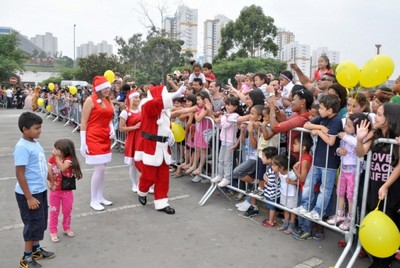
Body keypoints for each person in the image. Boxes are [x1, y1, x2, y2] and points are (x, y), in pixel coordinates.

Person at [293, 94, 343, 240]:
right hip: (318, 160)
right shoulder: (324, 118)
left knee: (325, 189)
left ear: (330, 109)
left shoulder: (336, 120)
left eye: (321, 108)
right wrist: (320, 127)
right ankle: (305, 205)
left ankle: (318, 210)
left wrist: (319, 132)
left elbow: (331, 141)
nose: (319, 110)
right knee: (308, 184)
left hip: (330, 162)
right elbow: (306, 125)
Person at [356, 103, 400, 268]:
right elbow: (360, 153)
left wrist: (386, 185)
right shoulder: (375, 135)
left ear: (390, 119)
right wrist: (360, 139)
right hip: (374, 185)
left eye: (380, 114)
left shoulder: (397, 137)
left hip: (392, 189)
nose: (375, 116)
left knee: (389, 224)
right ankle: (378, 260)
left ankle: (383, 262)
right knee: (375, 221)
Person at [134, 84, 187, 214]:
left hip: (163, 147)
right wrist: (173, 95)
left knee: (163, 177)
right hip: (150, 147)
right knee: (149, 176)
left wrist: (170, 136)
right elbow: (154, 105)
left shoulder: (165, 112)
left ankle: (162, 202)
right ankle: (142, 191)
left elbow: (166, 127)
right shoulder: (147, 106)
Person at [14, 112, 55, 267]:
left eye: (40, 127)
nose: (40, 130)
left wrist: (49, 177)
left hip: (40, 190)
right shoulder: (22, 147)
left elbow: (41, 164)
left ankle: (36, 249)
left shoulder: (34, 143)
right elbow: (19, 173)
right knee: (32, 224)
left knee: (40, 222)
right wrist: (29, 197)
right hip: (29, 194)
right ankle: (26, 258)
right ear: (25, 129)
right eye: (37, 128)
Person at [326, 113, 370, 231]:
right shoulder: (345, 137)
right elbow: (338, 147)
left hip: (354, 170)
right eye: (346, 124)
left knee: (350, 194)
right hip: (344, 168)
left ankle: (350, 217)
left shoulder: (359, 138)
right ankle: (339, 214)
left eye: (349, 126)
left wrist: (345, 136)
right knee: (340, 191)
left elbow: (358, 145)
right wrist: (339, 150)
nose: (345, 127)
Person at [80, 76, 115, 211]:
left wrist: (112, 129)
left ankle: (100, 196)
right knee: (99, 168)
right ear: (99, 88)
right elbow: (84, 121)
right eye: (105, 88)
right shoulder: (90, 100)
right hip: (93, 136)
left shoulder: (108, 100)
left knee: (102, 169)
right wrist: (83, 142)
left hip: (105, 136)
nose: (108, 90)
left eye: (108, 87)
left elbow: (109, 118)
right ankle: (93, 199)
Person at [48, 139, 83, 243]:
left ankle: (66, 227)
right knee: (54, 211)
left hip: (67, 191)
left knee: (67, 211)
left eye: (57, 149)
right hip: (55, 191)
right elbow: (49, 172)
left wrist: (57, 157)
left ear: (65, 150)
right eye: (55, 148)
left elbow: (62, 168)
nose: (55, 150)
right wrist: (49, 182)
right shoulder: (52, 159)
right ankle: (53, 231)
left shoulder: (68, 159)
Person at [211, 96, 242, 184]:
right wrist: (222, 119)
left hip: (230, 141)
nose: (227, 107)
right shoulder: (225, 115)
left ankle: (227, 177)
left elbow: (225, 124)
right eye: (226, 105)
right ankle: (220, 175)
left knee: (227, 160)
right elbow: (219, 125)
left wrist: (222, 118)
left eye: (230, 105)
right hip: (223, 139)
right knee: (221, 159)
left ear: (235, 107)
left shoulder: (236, 115)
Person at [119, 91, 141, 192]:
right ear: (130, 99)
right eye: (135, 97)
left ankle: (145, 185)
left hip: (142, 139)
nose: (137, 99)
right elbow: (121, 128)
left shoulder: (142, 110)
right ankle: (134, 184)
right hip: (132, 140)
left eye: (138, 97)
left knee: (144, 163)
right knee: (133, 164)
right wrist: (134, 127)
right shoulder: (125, 112)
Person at [272, 155, 297, 234]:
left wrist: (291, 182)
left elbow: (300, 183)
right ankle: (285, 224)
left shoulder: (292, 174)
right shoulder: (279, 173)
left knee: (292, 211)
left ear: (281, 167)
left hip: (291, 195)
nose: (272, 166)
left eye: (274, 165)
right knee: (285, 210)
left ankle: (291, 226)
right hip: (283, 193)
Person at [259, 147, 280, 227]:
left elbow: (271, 182)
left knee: (272, 208)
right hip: (271, 192)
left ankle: (271, 221)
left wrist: (265, 178)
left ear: (270, 159)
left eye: (263, 156)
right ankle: (272, 219)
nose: (261, 157)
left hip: (272, 193)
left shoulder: (272, 170)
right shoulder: (271, 167)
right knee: (271, 207)